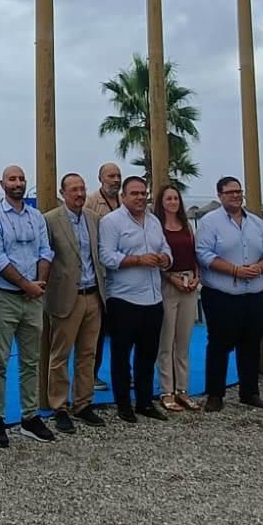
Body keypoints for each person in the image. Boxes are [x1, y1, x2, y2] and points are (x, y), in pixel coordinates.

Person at [0, 165, 56, 446]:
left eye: (22, 178)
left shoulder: (36, 217)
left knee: (30, 360)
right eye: (12, 178)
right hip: (5, 298)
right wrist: (28, 285)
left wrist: (40, 283)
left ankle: (30, 416)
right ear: (2, 184)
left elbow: (46, 250)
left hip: (34, 298)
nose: (18, 182)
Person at [195, 176, 263, 411]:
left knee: (251, 344)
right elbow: (203, 254)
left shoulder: (255, 222)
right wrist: (234, 270)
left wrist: (260, 267)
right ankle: (215, 394)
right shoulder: (210, 222)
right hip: (222, 295)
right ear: (220, 195)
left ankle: (250, 392)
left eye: (238, 191)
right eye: (230, 192)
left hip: (254, 294)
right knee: (219, 345)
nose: (235, 196)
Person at [98, 177, 170, 423]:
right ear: (124, 196)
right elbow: (106, 256)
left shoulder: (154, 220)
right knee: (121, 356)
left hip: (153, 298)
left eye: (143, 193)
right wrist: (138, 260)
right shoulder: (111, 222)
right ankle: (123, 404)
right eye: (135, 193)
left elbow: (166, 249)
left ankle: (144, 401)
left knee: (147, 355)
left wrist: (164, 259)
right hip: (124, 298)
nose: (140, 197)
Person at [41, 172, 107, 433]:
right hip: (66, 297)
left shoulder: (94, 220)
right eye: (73, 190)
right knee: (60, 355)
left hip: (93, 295)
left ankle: (83, 402)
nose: (79, 194)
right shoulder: (50, 221)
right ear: (62, 193)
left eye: (82, 189)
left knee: (88, 354)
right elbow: (44, 258)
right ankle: (59, 405)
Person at [154, 184, 201, 413]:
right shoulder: (156, 227)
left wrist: (196, 278)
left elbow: (195, 256)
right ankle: (166, 390)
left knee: (183, 341)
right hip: (167, 285)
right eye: (168, 198)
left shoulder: (187, 226)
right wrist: (170, 278)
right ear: (161, 202)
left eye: (175, 198)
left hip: (189, 283)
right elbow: (158, 259)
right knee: (166, 341)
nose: (172, 202)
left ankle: (183, 389)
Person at [83, 161, 122, 389]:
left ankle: (124, 373)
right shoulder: (91, 202)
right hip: (99, 275)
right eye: (110, 176)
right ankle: (92, 374)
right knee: (95, 332)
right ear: (101, 179)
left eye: (118, 176)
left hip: (122, 274)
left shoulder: (124, 201)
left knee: (122, 328)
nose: (115, 180)